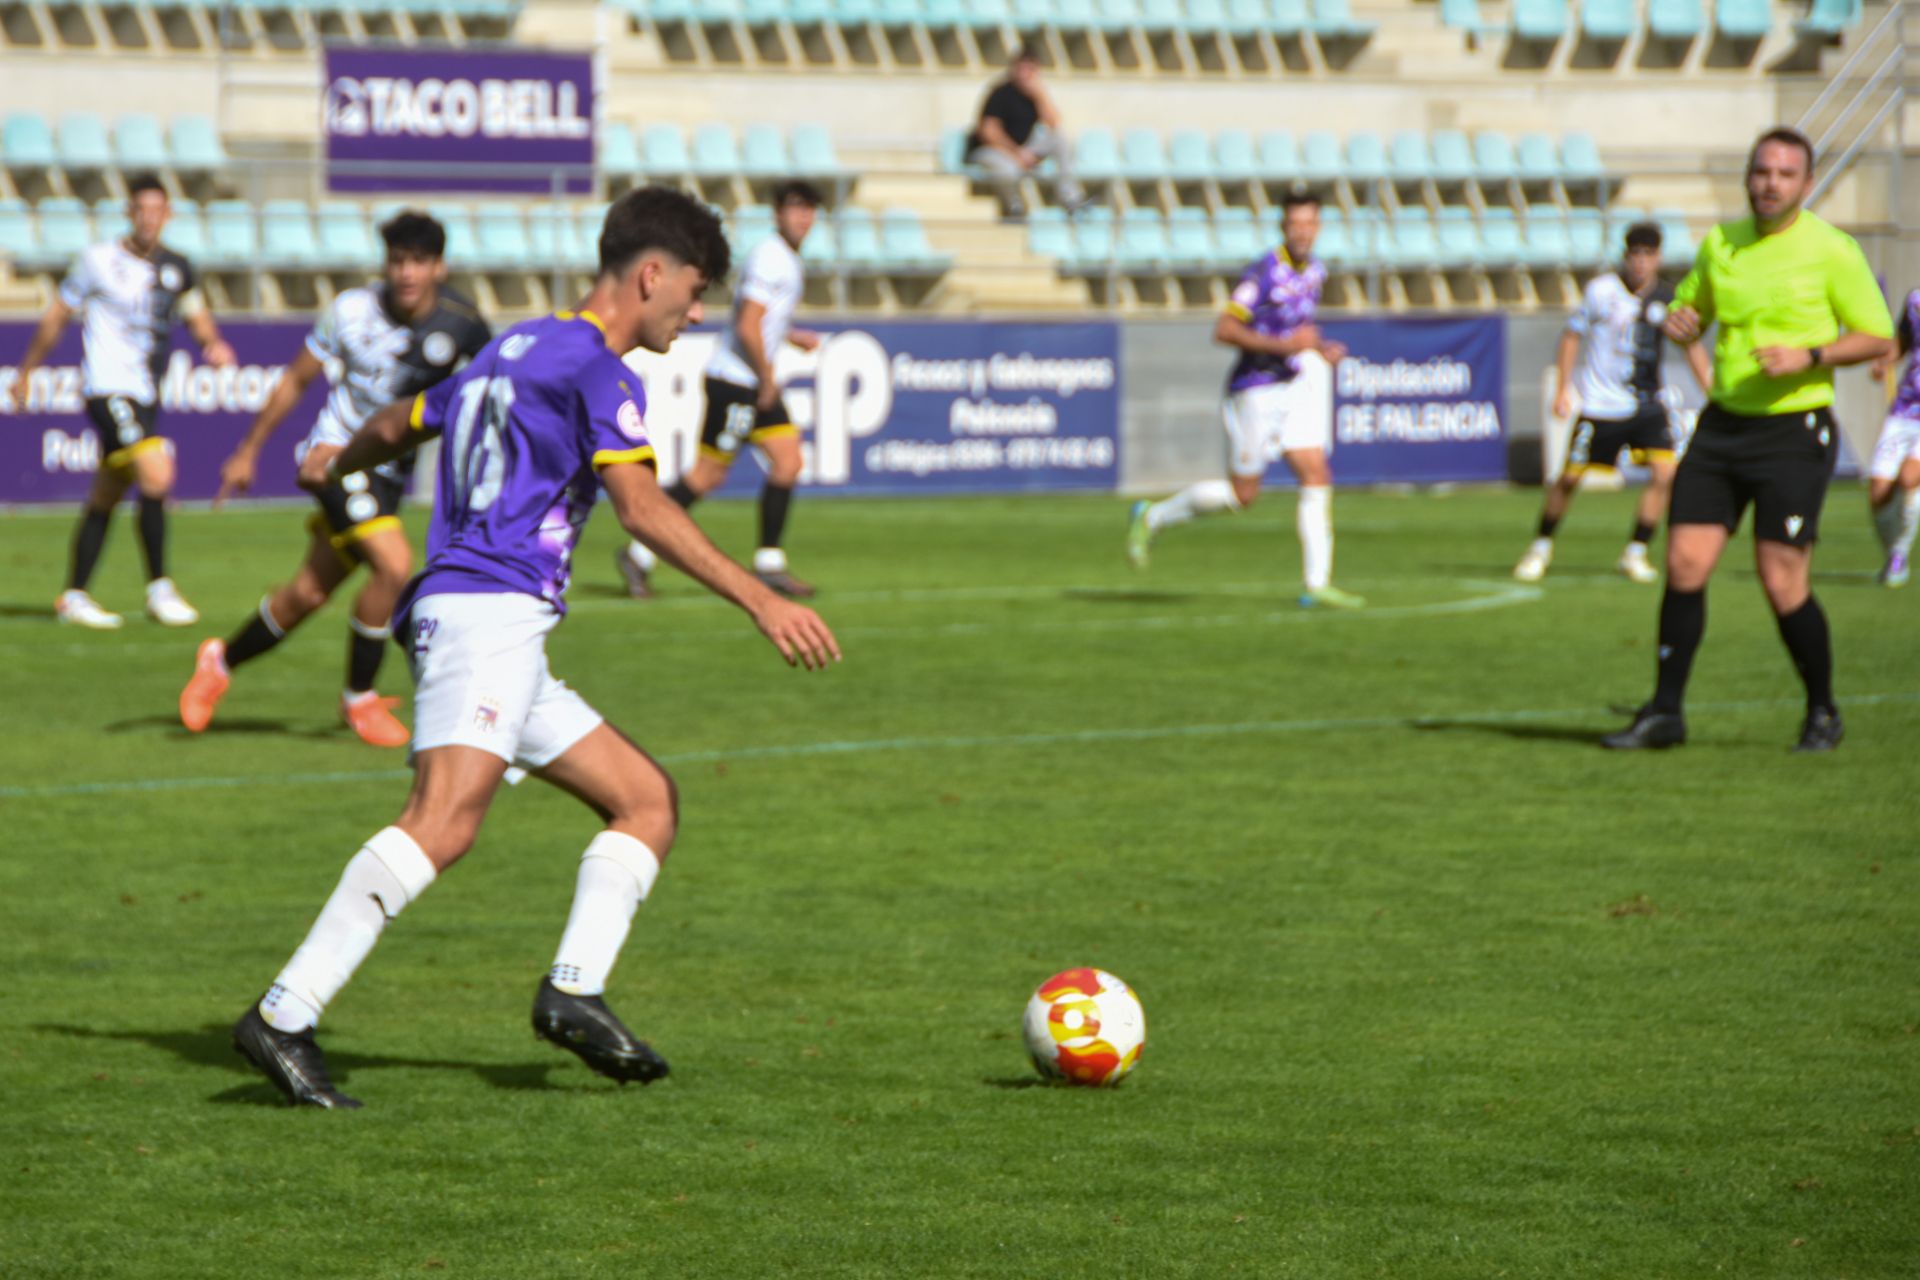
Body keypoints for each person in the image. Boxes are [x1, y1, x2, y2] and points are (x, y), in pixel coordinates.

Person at [229, 186, 840, 1109]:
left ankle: (573, 992)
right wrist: (759, 598)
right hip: (487, 617)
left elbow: (398, 422)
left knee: (645, 802)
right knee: (443, 820)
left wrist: (334, 460)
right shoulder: (599, 372)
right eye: (695, 291)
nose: (696, 314)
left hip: (491, 626)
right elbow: (642, 507)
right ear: (652, 274)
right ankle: (283, 1014)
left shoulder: (509, 348)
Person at [1603, 128, 1895, 753]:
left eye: (1786, 174)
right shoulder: (1722, 243)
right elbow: (1689, 313)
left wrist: (1809, 354)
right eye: (1762, 172)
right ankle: (1665, 713)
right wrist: (1683, 322)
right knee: (1684, 564)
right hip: (1723, 426)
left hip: (1794, 429)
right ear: (1748, 177)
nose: (1771, 183)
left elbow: (1876, 336)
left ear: (1807, 184)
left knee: (1781, 580)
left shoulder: (1832, 250)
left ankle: (1822, 711)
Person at [178, 212, 491, 747]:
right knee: (394, 566)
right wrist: (247, 451)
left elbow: (492, 394)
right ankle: (358, 698)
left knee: (306, 593)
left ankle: (219, 661)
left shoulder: (463, 324)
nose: (406, 273)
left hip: (389, 475)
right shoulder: (350, 311)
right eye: (397, 261)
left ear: (439, 267)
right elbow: (295, 380)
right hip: (334, 461)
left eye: (418, 262)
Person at [10, 174, 235, 629]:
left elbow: (197, 317)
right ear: (129, 213)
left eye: (157, 210)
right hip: (107, 388)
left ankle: (74, 596)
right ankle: (160, 589)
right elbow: (57, 314)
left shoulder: (177, 267)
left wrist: (214, 345)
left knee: (106, 493)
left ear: (168, 215)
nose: (149, 219)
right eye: (141, 210)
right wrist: (27, 370)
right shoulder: (97, 260)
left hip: (145, 393)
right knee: (157, 472)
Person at [1125, 192, 1363, 609]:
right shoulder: (1263, 273)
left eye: (1309, 223)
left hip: (1291, 385)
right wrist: (1285, 345)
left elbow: (1296, 328)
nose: (1303, 232)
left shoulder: (1315, 271)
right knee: (1242, 497)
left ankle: (1316, 584)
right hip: (1254, 390)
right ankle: (1153, 516)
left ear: (1319, 227)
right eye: (1295, 224)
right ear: (1283, 227)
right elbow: (1225, 329)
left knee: (1316, 472)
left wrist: (1318, 347)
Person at [616, 180, 823, 601]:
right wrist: (767, 376)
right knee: (706, 475)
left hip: (752, 380)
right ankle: (639, 553)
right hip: (736, 381)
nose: (803, 217)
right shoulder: (771, 258)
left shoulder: (784, 258)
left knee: (788, 461)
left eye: (809, 209)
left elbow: (762, 320)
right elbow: (747, 325)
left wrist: (790, 335)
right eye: (795, 208)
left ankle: (769, 563)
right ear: (777, 213)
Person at [1515, 223, 1713, 584]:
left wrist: (1712, 392)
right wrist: (1563, 389)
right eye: (1635, 254)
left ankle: (1635, 552)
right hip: (1600, 405)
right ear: (1625, 256)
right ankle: (1540, 546)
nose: (1641, 262)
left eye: (1648, 255)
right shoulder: (1600, 291)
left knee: (1665, 474)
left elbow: (1691, 345)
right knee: (1568, 479)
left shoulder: (1667, 298)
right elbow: (1571, 335)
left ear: (1658, 258)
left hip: (1646, 404)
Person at [965, 47, 1089, 222]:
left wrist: (1041, 96)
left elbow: (1054, 123)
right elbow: (988, 132)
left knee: (1059, 139)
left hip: (1022, 149)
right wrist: (1016, 154)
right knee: (1007, 170)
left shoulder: (1035, 95)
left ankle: (1071, 197)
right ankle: (1013, 208)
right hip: (994, 151)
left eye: (1030, 69)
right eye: (1021, 68)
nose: (1025, 74)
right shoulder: (1000, 93)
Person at [1866, 287, 1920, 587]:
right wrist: (1885, 362)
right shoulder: (1915, 301)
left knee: (1909, 477)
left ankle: (1899, 555)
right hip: (1904, 411)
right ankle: (1893, 553)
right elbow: (1903, 342)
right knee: (1879, 491)